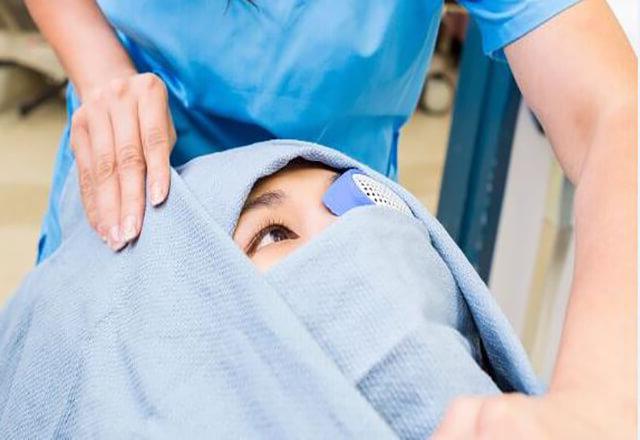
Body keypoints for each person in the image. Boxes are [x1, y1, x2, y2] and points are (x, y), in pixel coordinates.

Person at [24, 0, 636, 438]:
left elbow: (615, 114)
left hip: (341, 216)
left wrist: (598, 402)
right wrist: (101, 68)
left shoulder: (366, 299)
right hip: (129, 189)